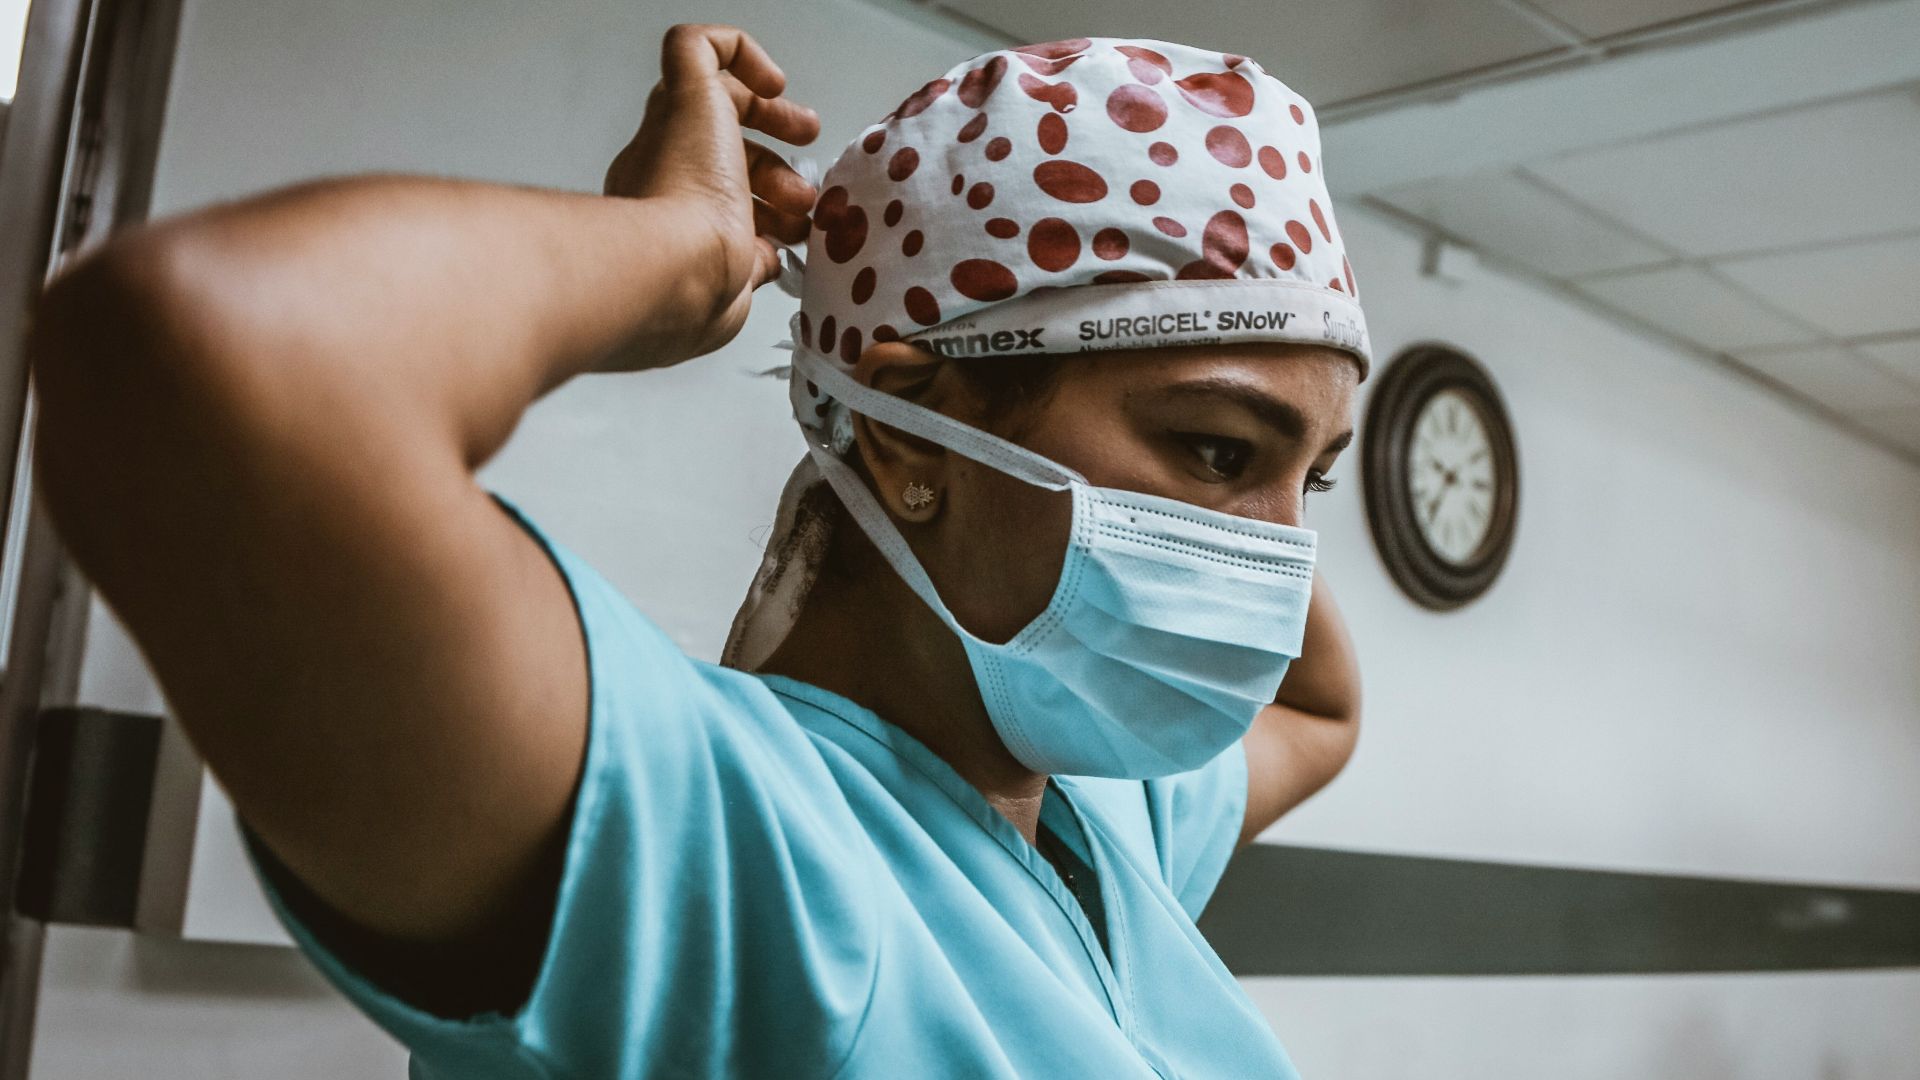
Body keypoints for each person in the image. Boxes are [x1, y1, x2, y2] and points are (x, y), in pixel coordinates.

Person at [26, 23, 1366, 1079]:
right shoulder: (728, 854)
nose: (1281, 560)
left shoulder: (1099, 819)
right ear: (911, 440)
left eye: (1311, 478)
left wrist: (1262, 402)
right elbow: (205, 354)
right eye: (1214, 450)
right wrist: (684, 251)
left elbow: (1319, 708)